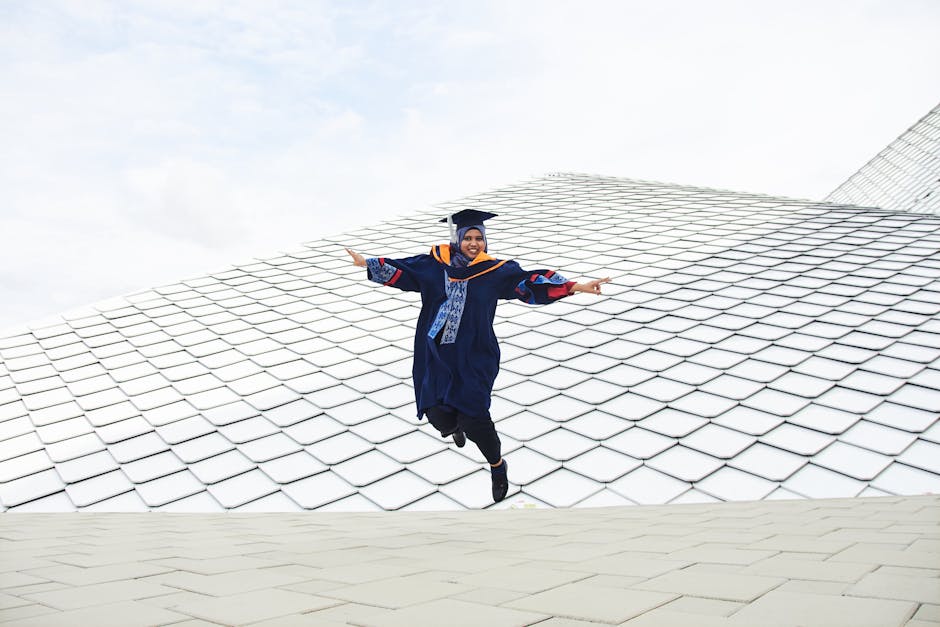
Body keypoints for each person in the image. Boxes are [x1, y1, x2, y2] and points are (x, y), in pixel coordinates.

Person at [345, 209, 610, 504]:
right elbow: (403, 270)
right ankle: (453, 427)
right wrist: (367, 263)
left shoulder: (495, 272)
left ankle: (497, 466)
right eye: (468, 238)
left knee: (474, 420)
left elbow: (528, 282)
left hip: (474, 354)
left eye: (478, 238)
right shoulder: (434, 265)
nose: (473, 243)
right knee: (438, 415)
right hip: (436, 353)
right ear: (457, 239)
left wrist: (575, 287)